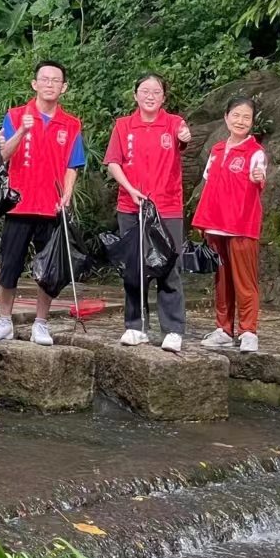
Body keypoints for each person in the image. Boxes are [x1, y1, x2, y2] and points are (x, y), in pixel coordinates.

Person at [0, 61, 85, 347]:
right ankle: (4, 320)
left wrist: (67, 193)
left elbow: (73, 164)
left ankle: (41, 322)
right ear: (34, 84)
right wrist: (21, 132)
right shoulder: (16, 115)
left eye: (55, 80)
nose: (49, 84)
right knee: (10, 265)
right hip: (18, 204)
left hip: (52, 207)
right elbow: (4, 154)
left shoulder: (72, 124)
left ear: (64, 87)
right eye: (44, 79)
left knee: (49, 268)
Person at [104, 75, 192, 353]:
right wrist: (130, 189)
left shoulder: (174, 123)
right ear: (136, 95)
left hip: (167, 206)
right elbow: (113, 163)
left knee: (169, 267)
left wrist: (184, 136)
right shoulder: (123, 125)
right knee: (134, 267)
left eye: (156, 91)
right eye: (144, 91)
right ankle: (136, 325)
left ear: (164, 97)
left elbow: (184, 137)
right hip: (131, 205)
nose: (150, 96)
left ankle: (173, 329)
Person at [194, 97, 267, 353]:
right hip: (215, 225)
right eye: (236, 115)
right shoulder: (216, 151)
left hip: (242, 225)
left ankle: (248, 331)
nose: (240, 121)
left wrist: (258, 176)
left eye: (246, 117)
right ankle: (223, 330)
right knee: (222, 280)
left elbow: (259, 175)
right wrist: (202, 220)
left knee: (245, 281)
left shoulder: (255, 152)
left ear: (252, 122)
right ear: (226, 117)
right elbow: (209, 186)